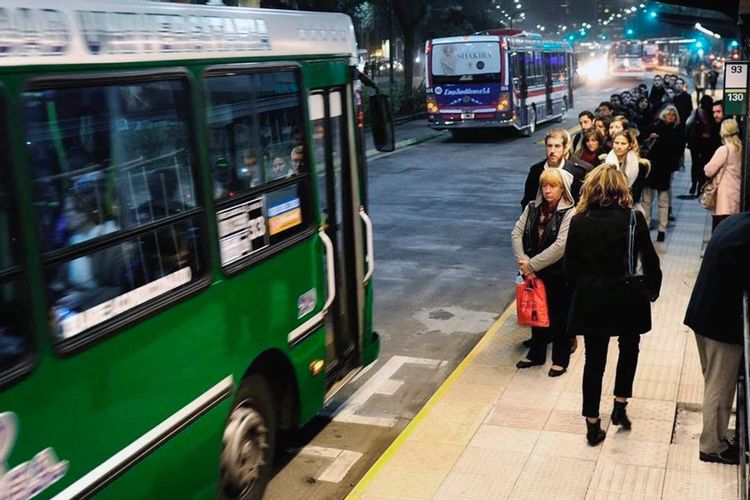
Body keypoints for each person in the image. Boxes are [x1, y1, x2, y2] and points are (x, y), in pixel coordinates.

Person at [565, 164, 662, 446]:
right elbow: (650, 261)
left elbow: (570, 268)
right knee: (629, 349)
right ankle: (620, 405)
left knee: (594, 362)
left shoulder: (579, 220)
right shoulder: (633, 219)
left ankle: (593, 425)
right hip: (627, 297)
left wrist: (579, 293)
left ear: (591, 189)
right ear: (622, 188)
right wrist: (652, 292)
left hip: (592, 298)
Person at [684, 212, 750, 464]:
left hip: (703, 313)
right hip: (721, 323)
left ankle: (716, 438)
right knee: (720, 387)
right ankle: (712, 446)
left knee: (714, 382)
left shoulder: (737, 221)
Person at [512, 168, 576, 376]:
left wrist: (531, 266)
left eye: (553, 186)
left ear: (563, 188)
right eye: (544, 186)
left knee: (559, 318)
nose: (547, 190)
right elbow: (516, 234)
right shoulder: (532, 208)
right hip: (533, 271)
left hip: (558, 274)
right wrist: (524, 262)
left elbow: (561, 246)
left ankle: (560, 359)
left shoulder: (569, 212)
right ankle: (536, 354)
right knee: (536, 313)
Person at [642, 105, 685, 242]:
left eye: (674, 115)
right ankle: (646, 224)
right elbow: (641, 142)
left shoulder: (677, 131)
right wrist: (649, 139)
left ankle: (662, 228)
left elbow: (679, 150)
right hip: (651, 167)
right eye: (669, 114)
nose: (671, 117)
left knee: (663, 201)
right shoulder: (653, 128)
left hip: (664, 169)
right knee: (647, 200)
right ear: (663, 115)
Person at [521, 128, 586, 209]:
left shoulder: (576, 172)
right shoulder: (536, 171)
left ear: (565, 148)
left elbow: (580, 203)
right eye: (549, 146)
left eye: (557, 146)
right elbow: (527, 201)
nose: (552, 150)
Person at [703, 118, 743, 230]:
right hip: (738, 192)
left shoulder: (724, 149)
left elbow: (709, 170)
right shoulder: (742, 148)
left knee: (721, 229)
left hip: (724, 195)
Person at [686, 95, 714, 195]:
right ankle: (700, 185)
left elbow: (688, 124)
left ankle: (694, 184)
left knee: (695, 164)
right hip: (708, 143)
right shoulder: (712, 113)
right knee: (704, 164)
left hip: (695, 142)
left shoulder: (697, 112)